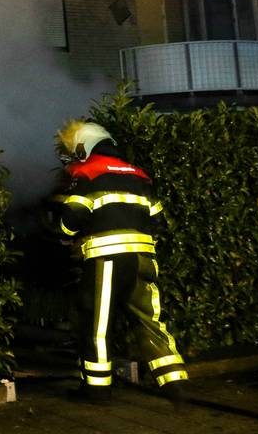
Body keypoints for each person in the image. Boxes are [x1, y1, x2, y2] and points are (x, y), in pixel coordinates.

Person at [49, 121, 188, 402]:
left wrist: (62, 234)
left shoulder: (86, 173)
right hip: (143, 258)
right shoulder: (138, 175)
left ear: (84, 147)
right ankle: (174, 381)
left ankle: (97, 389)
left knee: (97, 324)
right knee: (149, 319)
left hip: (106, 258)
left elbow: (72, 217)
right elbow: (157, 217)